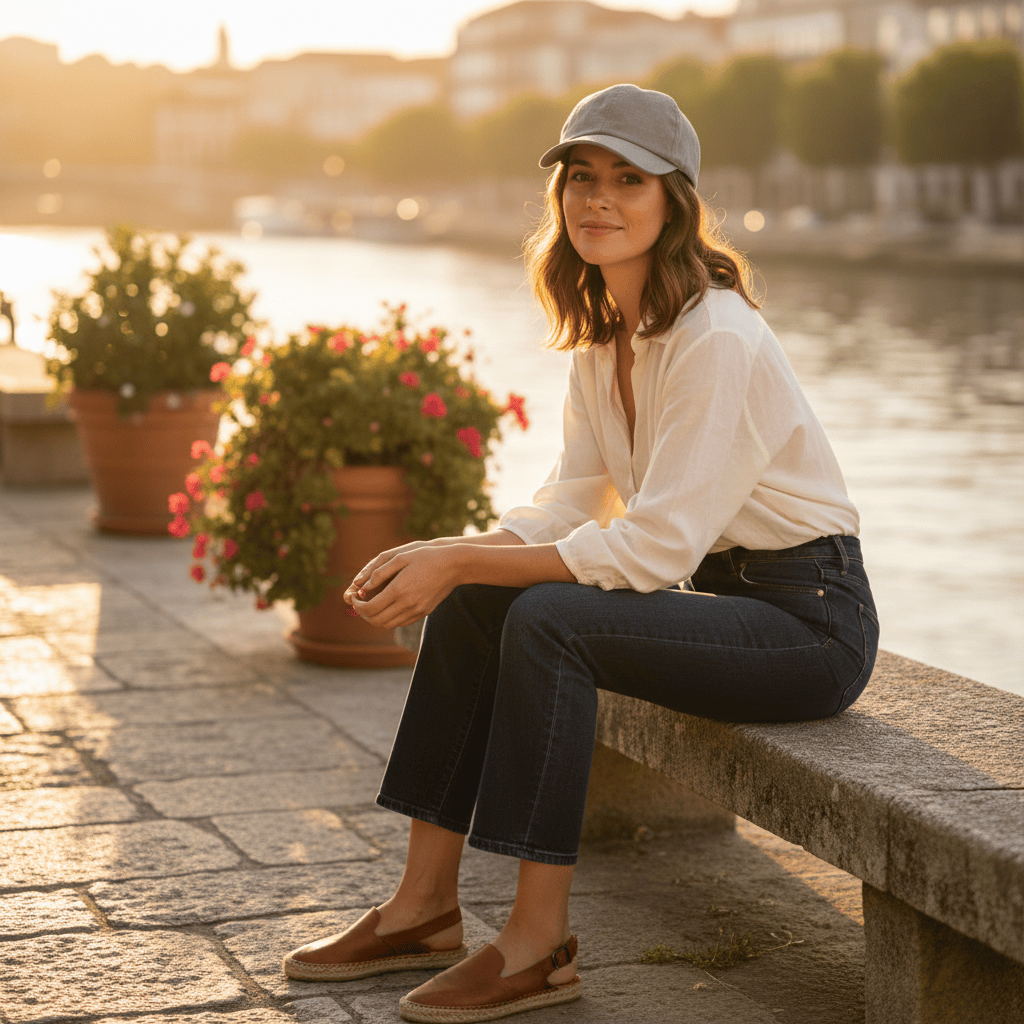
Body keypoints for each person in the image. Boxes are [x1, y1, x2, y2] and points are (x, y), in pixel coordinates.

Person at [283, 83, 879, 1023]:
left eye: (627, 181)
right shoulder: (606, 332)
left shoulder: (715, 337)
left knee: (549, 620)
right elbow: (572, 502)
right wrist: (451, 553)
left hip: (807, 624)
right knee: (481, 600)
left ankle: (535, 946)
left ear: (673, 201)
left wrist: (464, 559)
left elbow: (653, 547)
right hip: (726, 605)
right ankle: (423, 907)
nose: (596, 199)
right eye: (580, 178)